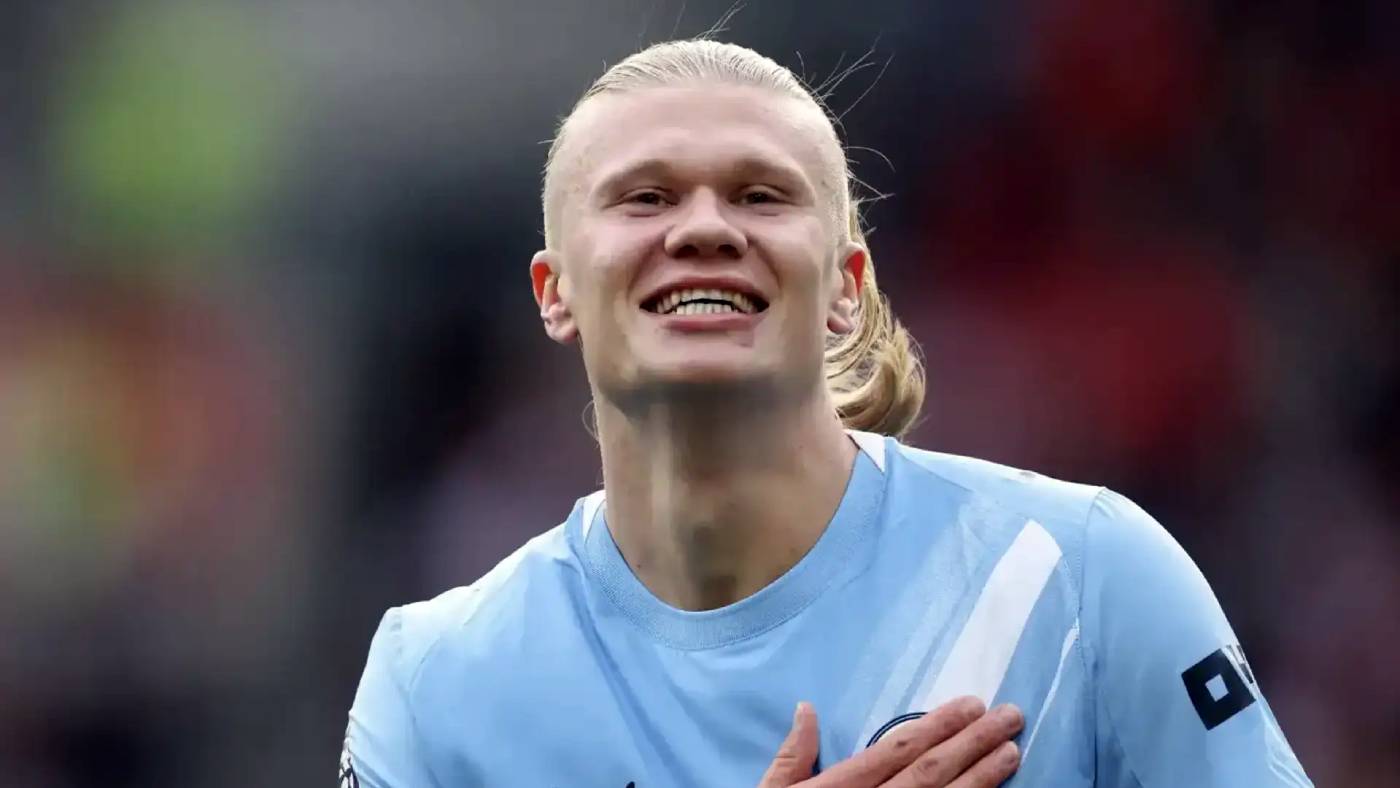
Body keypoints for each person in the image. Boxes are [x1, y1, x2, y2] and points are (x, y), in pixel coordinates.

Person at [342, 39, 1312, 787]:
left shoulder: (1082, 577)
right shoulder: (436, 680)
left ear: (847, 286)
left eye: (761, 195)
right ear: (553, 293)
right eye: (644, 197)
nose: (704, 227)